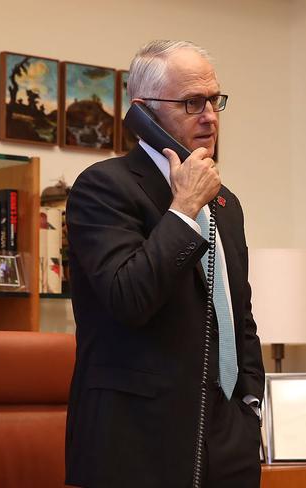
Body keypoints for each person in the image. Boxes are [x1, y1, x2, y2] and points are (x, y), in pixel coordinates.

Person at [64, 40, 265, 488]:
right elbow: (129, 297)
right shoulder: (103, 188)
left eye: (215, 100)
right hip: (136, 447)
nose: (210, 116)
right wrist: (183, 209)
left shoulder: (226, 204)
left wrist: (250, 404)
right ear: (143, 111)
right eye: (193, 102)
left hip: (228, 439)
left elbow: (240, 317)